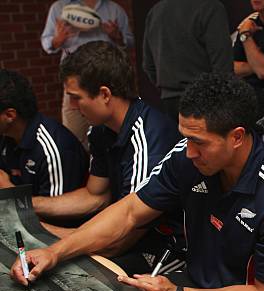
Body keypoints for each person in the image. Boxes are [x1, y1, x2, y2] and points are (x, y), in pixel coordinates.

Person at [11, 72, 264, 291]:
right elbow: (130, 211)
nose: (190, 151)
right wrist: (55, 251)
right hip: (194, 281)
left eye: (200, 142)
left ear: (237, 137)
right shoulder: (189, 156)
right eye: (187, 138)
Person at [33, 41, 183, 275]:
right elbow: (95, 195)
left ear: (104, 94)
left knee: (68, 275)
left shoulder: (148, 137)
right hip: (125, 236)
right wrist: (28, 208)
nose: (72, 107)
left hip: (161, 249)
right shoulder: (101, 130)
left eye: (76, 97)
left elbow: (124, 233)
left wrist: (48, 239)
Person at [41, 0, 134, 150]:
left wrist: (118, 37)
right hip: (75, 86)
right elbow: (47, 44)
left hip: (109, 83)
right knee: (73, 138)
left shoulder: (114, 9)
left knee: (116, 136)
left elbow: (129, 41)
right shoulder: (59, 8)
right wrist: (57, 40)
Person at [142, 0, 233, 124]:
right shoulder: (211, 7)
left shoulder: (155, 11)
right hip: (208, 102)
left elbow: (148, 65)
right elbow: (223, 67)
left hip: (169, 101)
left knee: (178, 143)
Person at [0, 69, 87, 197]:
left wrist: (8, 191)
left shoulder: (54, 149)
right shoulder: (6, 135)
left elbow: (57, 213)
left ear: (9, 115)